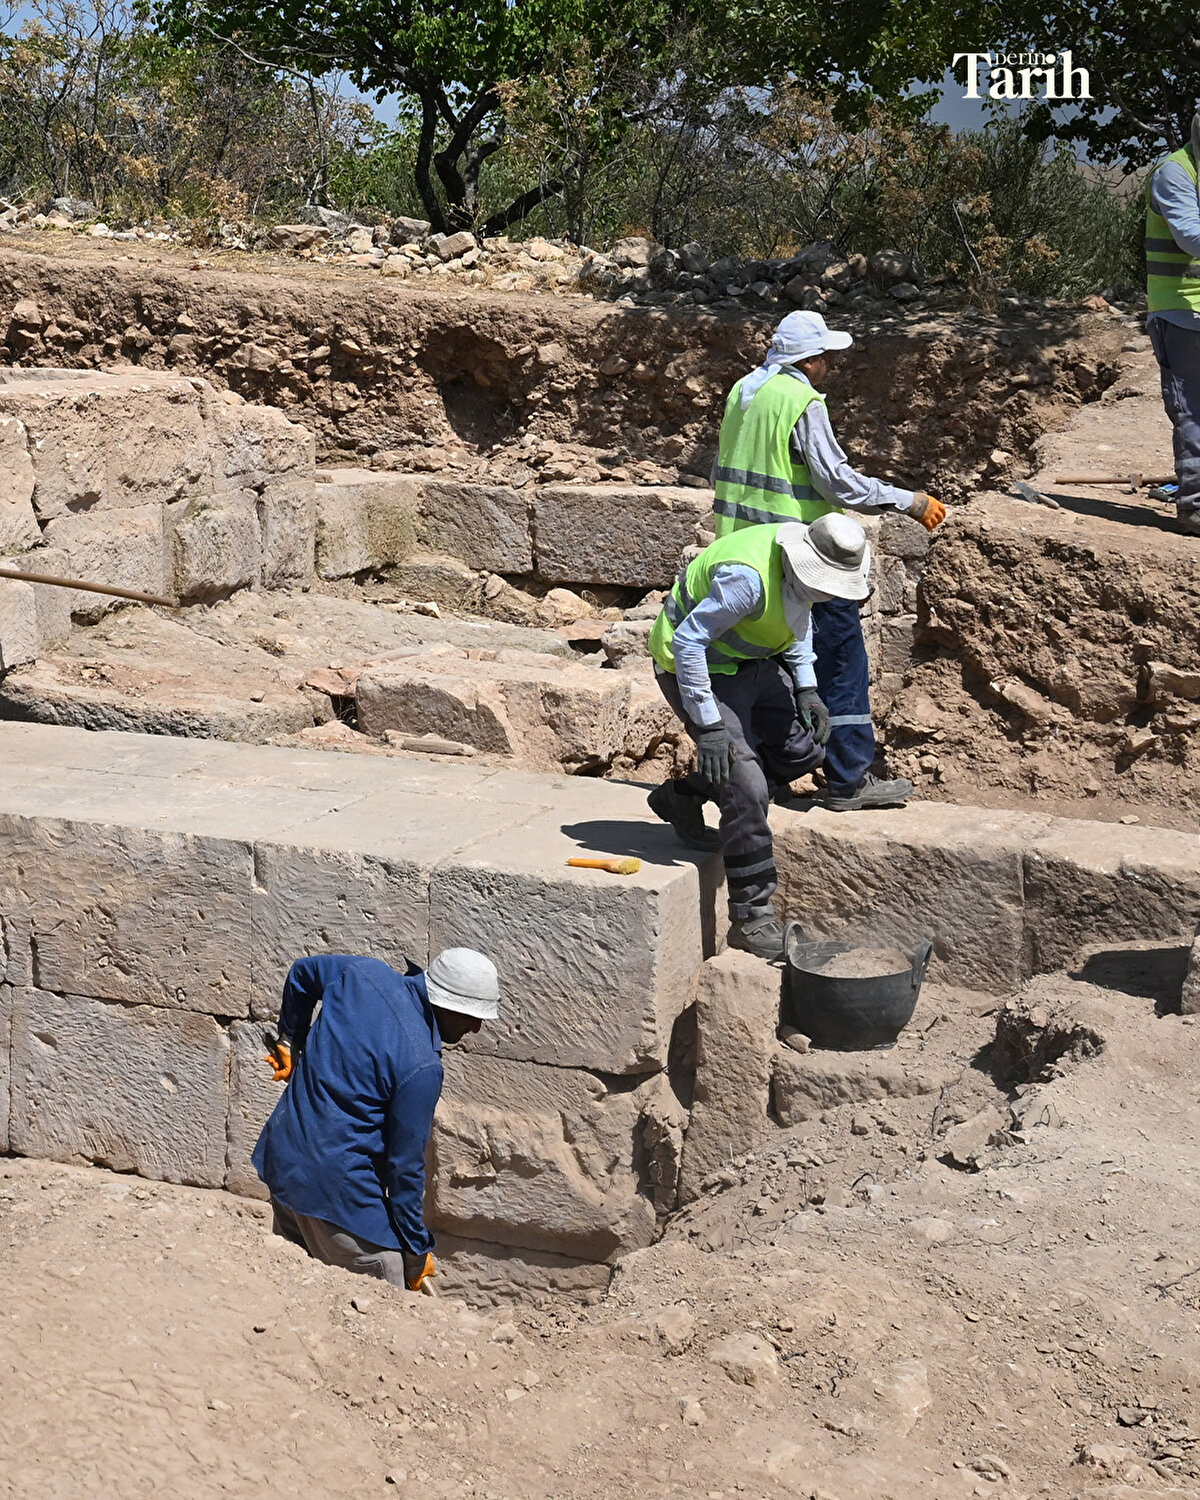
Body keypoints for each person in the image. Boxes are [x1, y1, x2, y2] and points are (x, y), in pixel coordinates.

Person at [711, 309, 947, 810]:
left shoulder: (744, 392)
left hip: (743, 552)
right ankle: (847, 778)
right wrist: (908, 500)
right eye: (826, 359)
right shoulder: (799, 399)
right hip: (803, 555)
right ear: (810, 359)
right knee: (841, 661)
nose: (830, 368)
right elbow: (837, 482)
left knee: (765, 663)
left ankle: (766, 773)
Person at [646, 512, 871, 962]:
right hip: (697, 668)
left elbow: (797, 620)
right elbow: (689, 644)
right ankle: (751, 915)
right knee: (746, 783)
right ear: (803, 563)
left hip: (752, 664)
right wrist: (708, 725)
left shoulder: (801, 571)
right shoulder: (745, 582)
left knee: (801, 752)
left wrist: (806, 687)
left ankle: (684, 796)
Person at [252, 947, 500, 1291]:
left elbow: (302, 973)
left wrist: (290, 1037)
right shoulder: (422, 1067)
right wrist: (415, 1253)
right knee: (385, 1281)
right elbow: (405, 1170)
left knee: (294, 1295)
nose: (476, 1028)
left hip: (283, 1166)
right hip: (335, 1195)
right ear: (446, 1003)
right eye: (472, 1016)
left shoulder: (361, 973)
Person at [1145, 110, 1200, 536]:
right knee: (1193, 413)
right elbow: (1190, 235)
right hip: (1181, 312)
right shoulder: (1173, 173)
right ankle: (1194, 506)